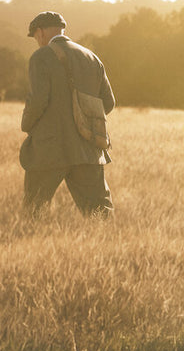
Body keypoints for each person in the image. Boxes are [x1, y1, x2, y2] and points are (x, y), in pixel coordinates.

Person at [20, 11, 115, 217]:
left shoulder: (41, 56)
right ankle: (106, 249)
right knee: (100, 215)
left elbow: (38, 101)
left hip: (49, 148)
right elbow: (108, 102)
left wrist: (26, 125)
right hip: (88, 148)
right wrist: (83, 121)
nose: (37, 41)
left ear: (40, 32)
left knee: (33, 213)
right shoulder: (91, 57)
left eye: (35, 36)